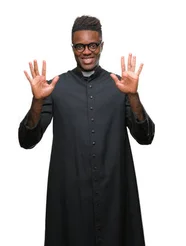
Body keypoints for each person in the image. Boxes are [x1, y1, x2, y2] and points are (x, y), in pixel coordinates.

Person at [18, 15, 154, 246]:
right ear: (73, 48)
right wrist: (37, 101)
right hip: (70, 200)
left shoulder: (120, 85)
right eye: (80, 46)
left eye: (93, 45)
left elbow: (146, 136)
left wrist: (132, 95)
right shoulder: (55, 88)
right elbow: (27, 139)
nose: (86, 51)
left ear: (101, 46)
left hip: (115, 195)